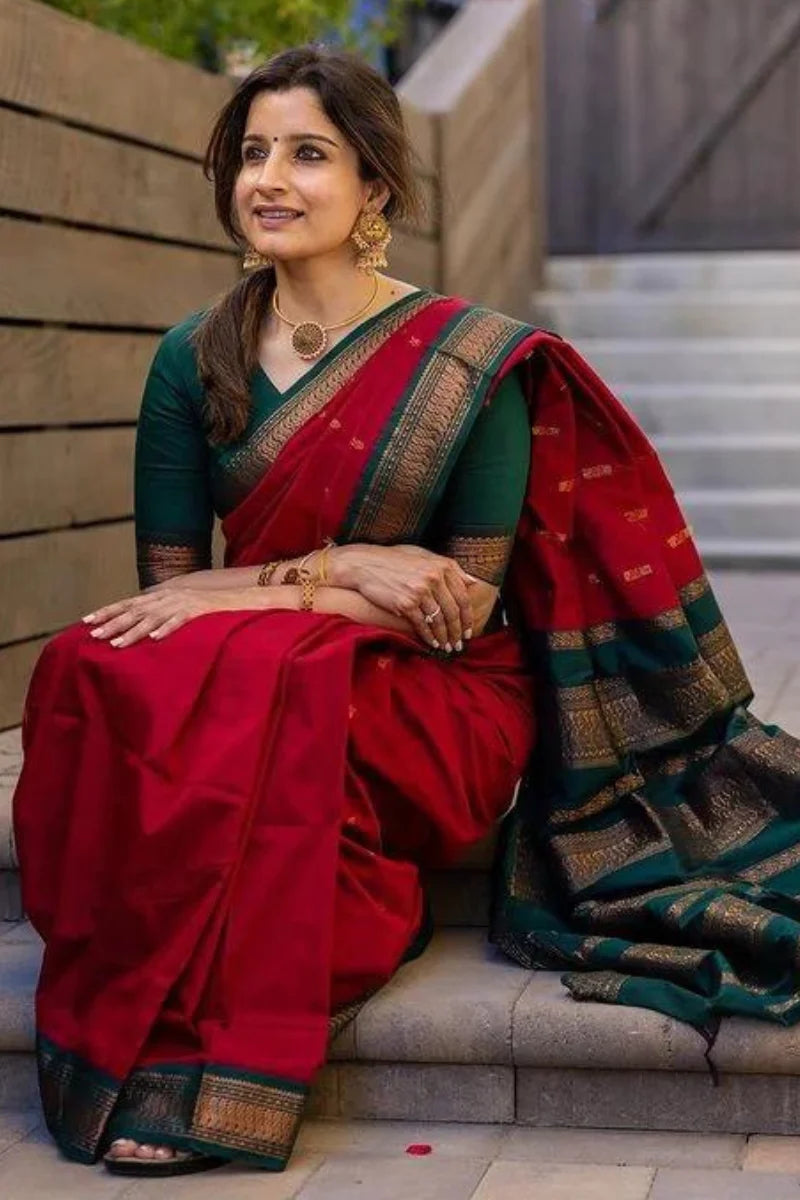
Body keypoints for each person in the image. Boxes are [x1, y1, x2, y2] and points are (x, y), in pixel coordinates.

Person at [12, 41, 800, 1181]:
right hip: (266, 659)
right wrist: (341, 567)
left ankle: (218, 1056)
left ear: (374, 185)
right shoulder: (194, 359)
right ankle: (175, 989)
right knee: (91, 664)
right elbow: (169, 596)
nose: (268, 179)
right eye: (252, 154)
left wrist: (310, 588)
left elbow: (460, 607)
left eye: (307, 154)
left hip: (438, 691)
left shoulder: (469, 363)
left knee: (262, 693)